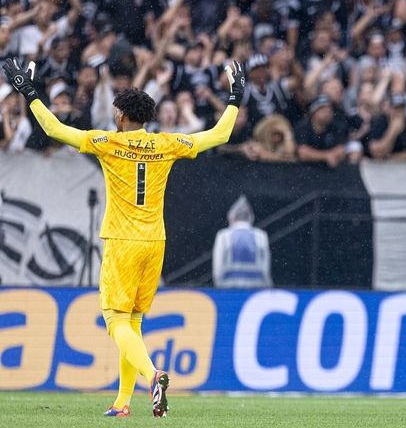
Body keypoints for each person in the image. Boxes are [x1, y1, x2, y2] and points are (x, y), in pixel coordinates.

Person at [2, 56, 243, 419]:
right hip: (155, 241)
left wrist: (29, 93)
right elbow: (220, 135)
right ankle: (122, 402)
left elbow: (54, 129)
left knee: (114, 319)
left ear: (120, 116)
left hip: (122, 240)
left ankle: (153, 375)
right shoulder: (167, 143)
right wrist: (235, 97)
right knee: (133, 321)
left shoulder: (108, 143)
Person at [212, 195, 272, 289]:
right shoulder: (261, 236)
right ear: (251, 218)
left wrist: (218, 288)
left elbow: (218, 269)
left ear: (232, 218)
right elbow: (265, 268)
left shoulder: (223, 236)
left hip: (229, 289)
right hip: (255, 289)